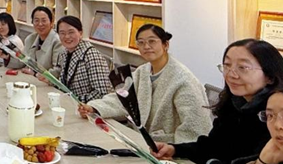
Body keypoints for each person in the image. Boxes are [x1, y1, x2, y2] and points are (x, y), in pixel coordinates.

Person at [153, 39, 283, 164]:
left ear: (270, 76)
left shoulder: (278, 117)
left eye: (243, 67)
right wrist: (174, 149)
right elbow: (213, 145)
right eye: (227, 66)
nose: (231, 74)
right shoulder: (235, 102)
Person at [82, 25, 212, 144]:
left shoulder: (183, 80)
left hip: (170, 147)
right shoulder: (143, 71)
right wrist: (95, 107)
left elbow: (196, 125)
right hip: (141, 141)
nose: (146, 46)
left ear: (165, 44)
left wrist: (176, 150)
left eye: (152, 41)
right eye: (141, 42)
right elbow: (124, 99)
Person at [40, 16, 110, 102]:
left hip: (85, 106)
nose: (66, 37)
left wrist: (75, 100)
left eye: (71, 32)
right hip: (67, 103)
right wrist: (51, 81)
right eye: (62, 33)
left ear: (80, 33)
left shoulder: (91, 55)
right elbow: (65, 85)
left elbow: (102, 93)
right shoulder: (63, 54)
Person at [7, 6, 64, 74]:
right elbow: (23, 61)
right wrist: (7, 58)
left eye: (44, 20)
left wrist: (35, 74)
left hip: (45, 80)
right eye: (36, 21)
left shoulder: (57, 41)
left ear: (51, 23)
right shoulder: (30, 39)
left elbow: (58, 70)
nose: (40, 24)